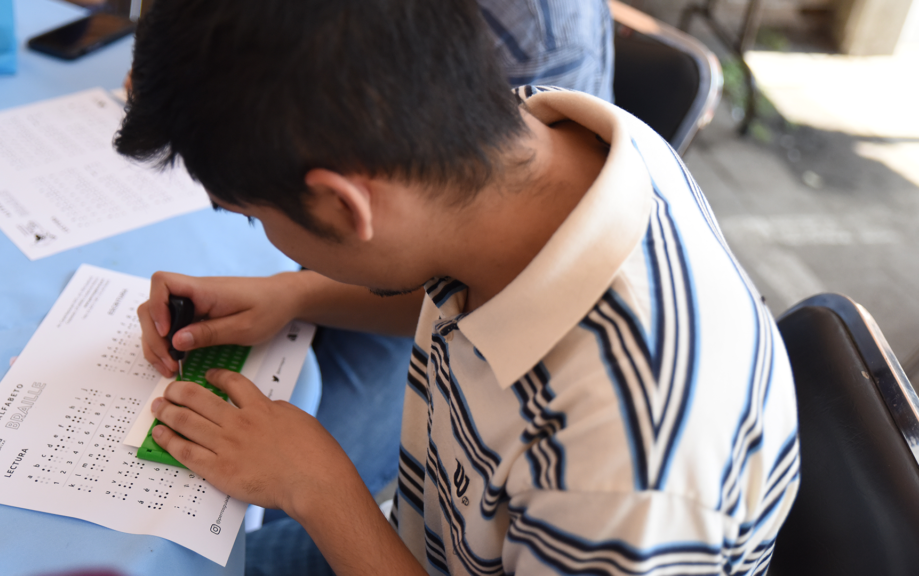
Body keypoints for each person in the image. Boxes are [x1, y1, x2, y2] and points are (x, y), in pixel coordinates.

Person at [116, 1, 799, 575]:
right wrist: (296, 296)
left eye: (251, 217)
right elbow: (453, 286)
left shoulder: (622, 468)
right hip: (429, 532)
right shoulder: (527, 145)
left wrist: (315, 484)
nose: (259, 235)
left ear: (347, 208)